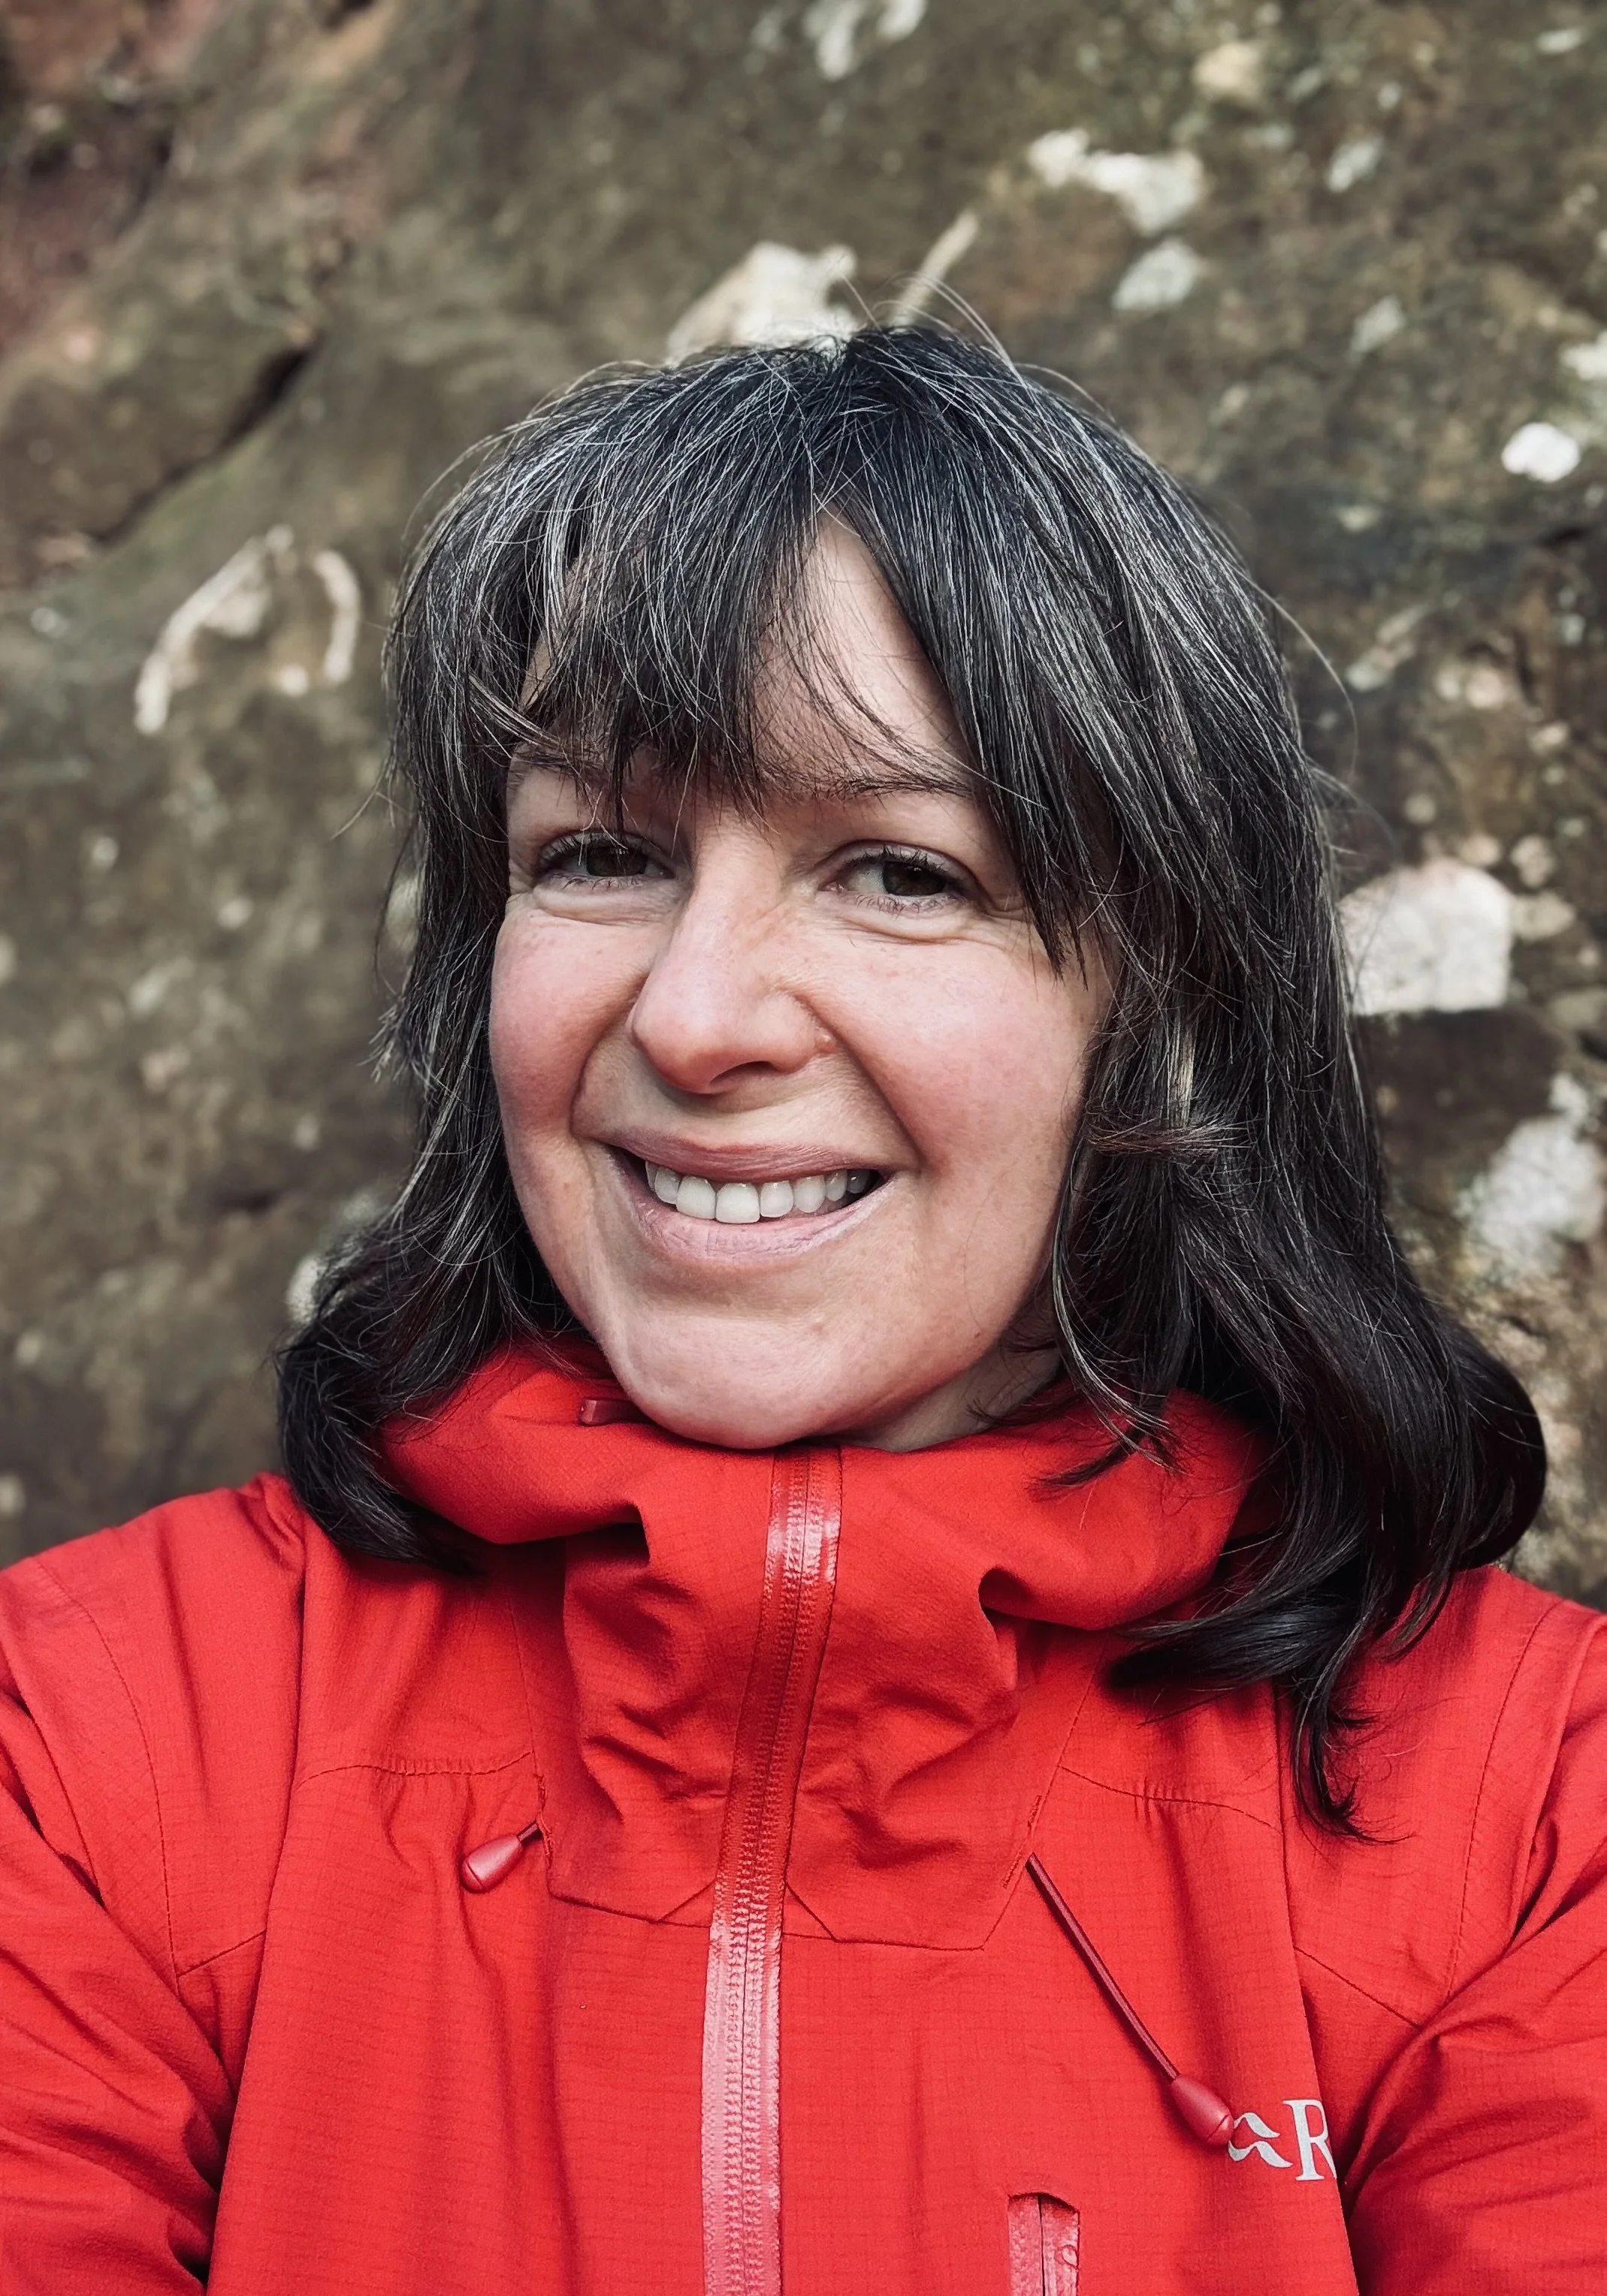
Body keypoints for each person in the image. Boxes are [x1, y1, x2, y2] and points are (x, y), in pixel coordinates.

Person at [1, 327, 1602, 2296]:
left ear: (1164, 1007)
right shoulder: (85, 1736)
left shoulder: (1535, 1814)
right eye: (598, 854)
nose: (693, 1016)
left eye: (900, 873)